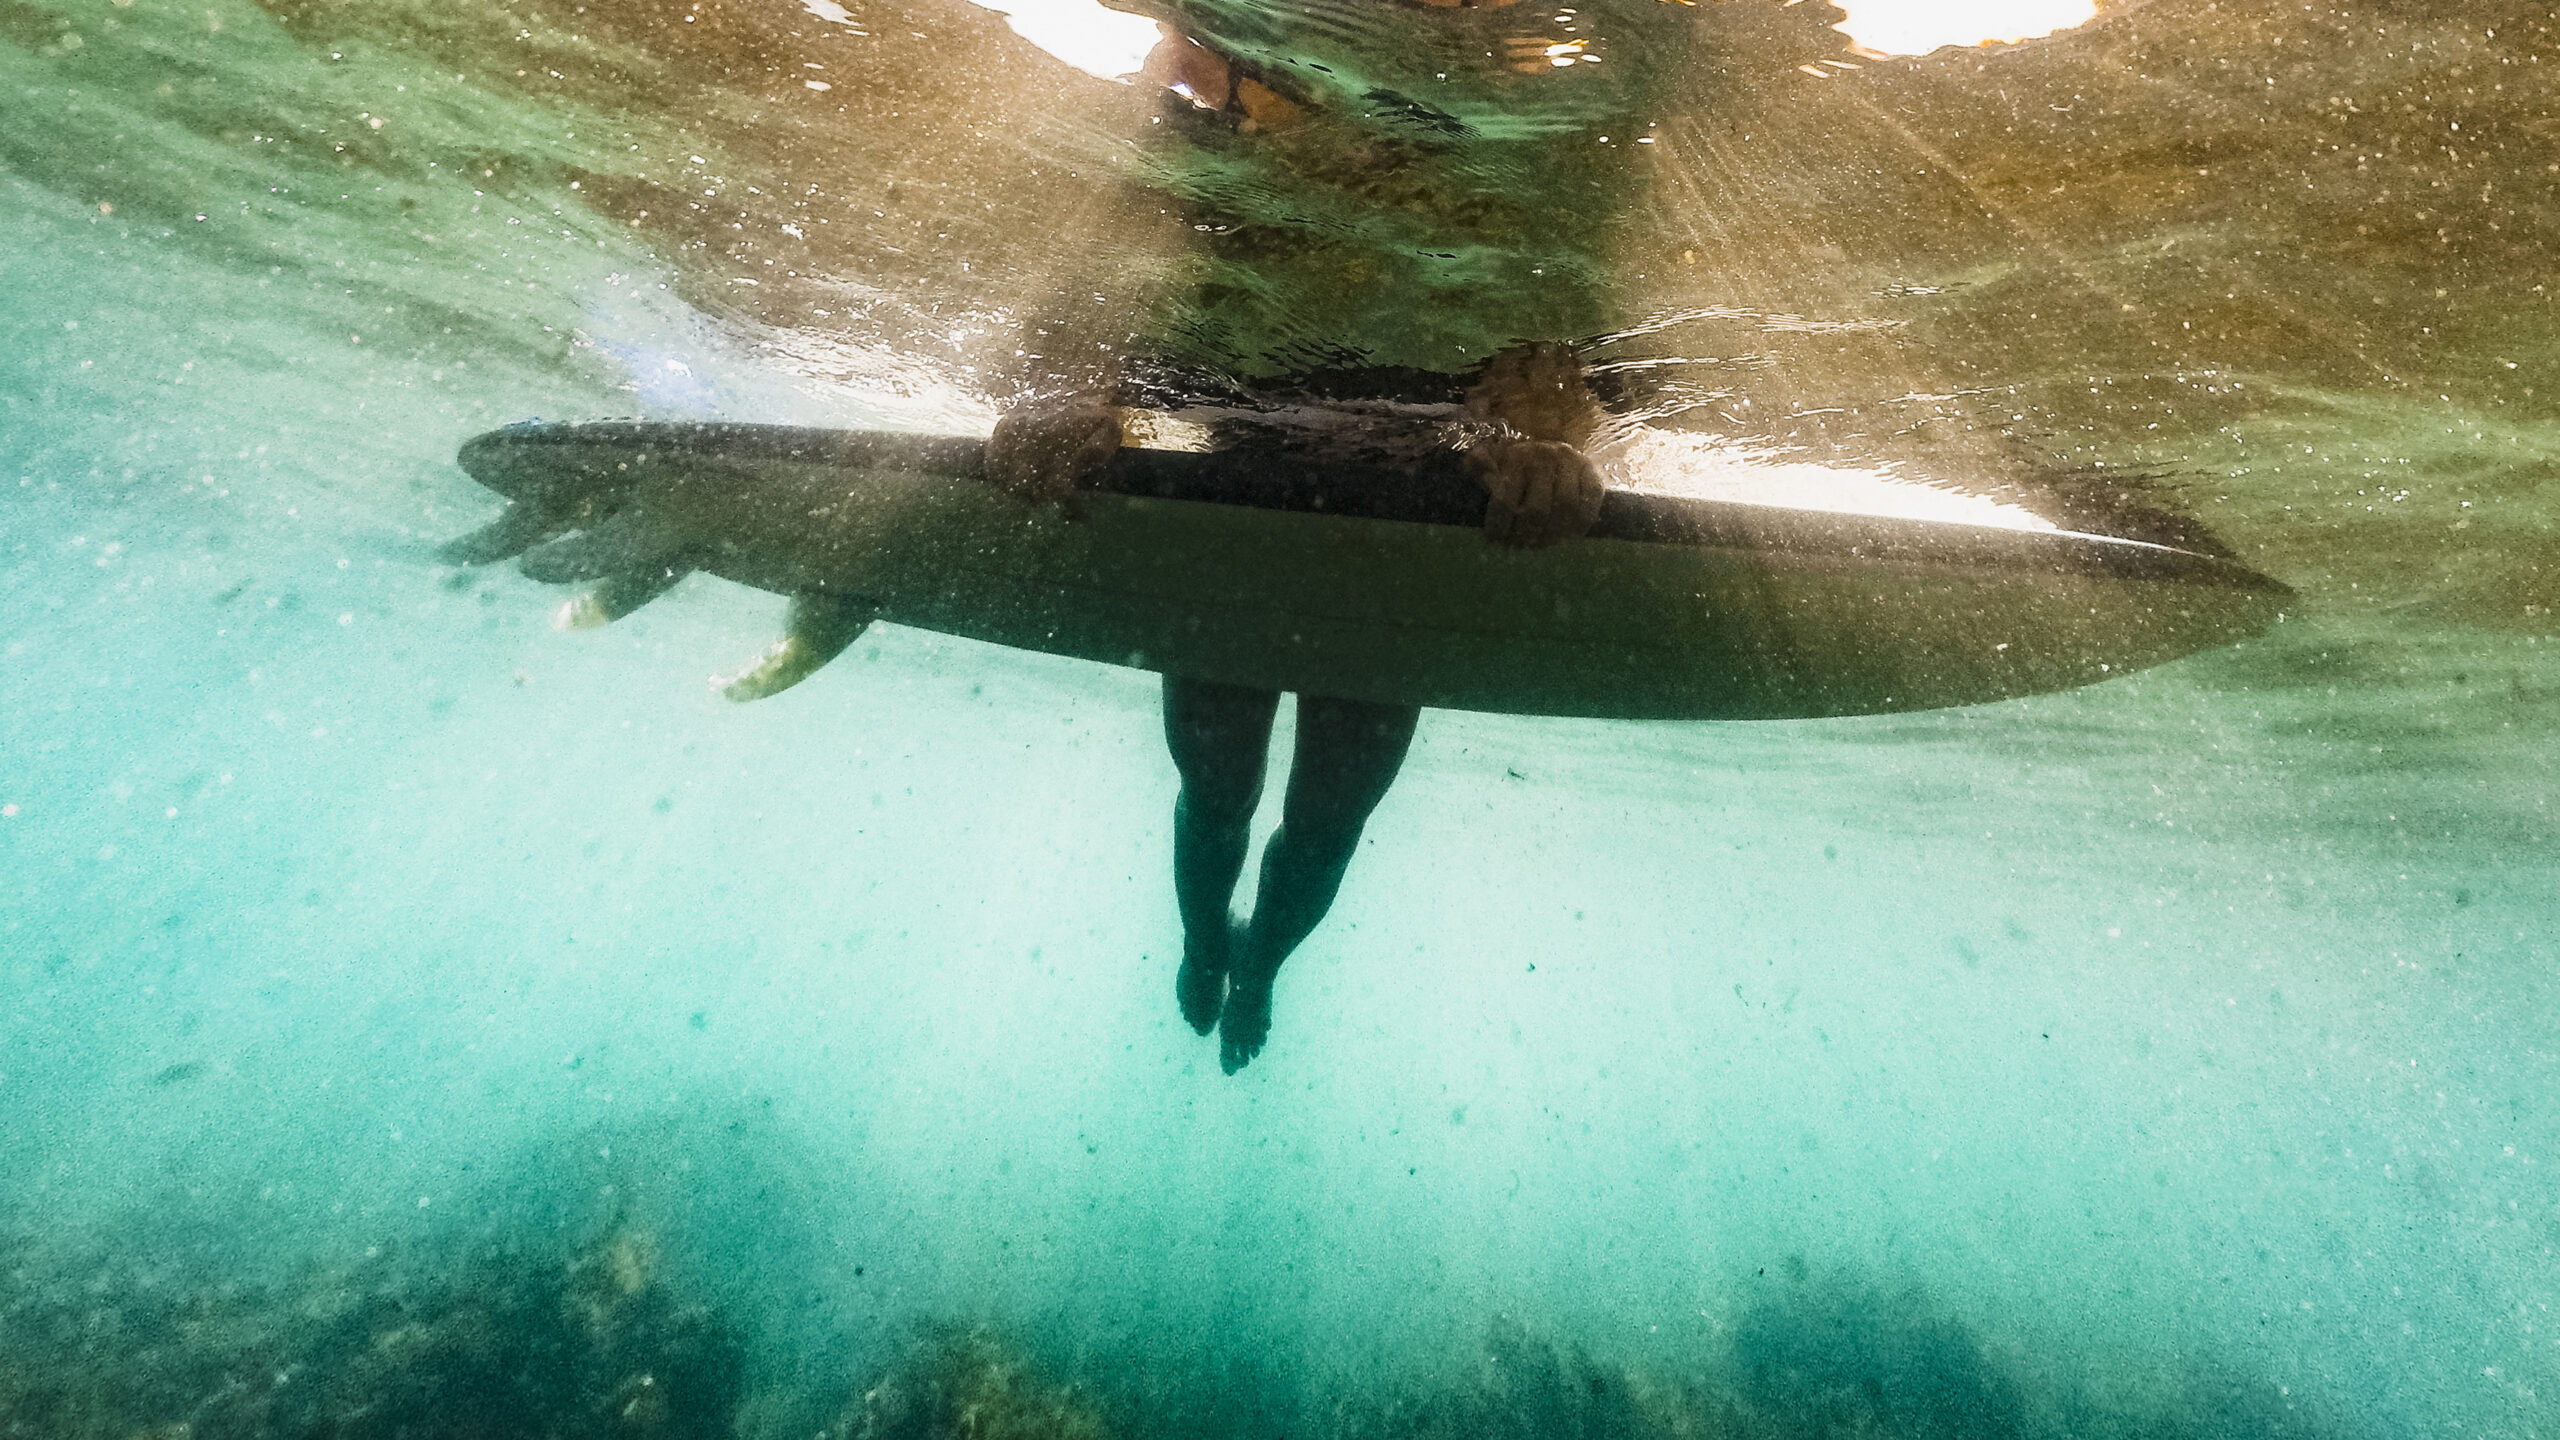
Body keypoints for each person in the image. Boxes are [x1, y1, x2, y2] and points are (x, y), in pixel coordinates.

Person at [984, 0, 1690, 1073]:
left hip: (1397, 524)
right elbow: (1108, 314)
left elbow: (1580, 351)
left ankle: (1260, 968)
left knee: (1324, 822)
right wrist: (1081, 402)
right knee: (1217, 795)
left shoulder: (1515, 145)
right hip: (1238, 506)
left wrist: (1539, 437)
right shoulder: (1200, 116)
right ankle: (1198, 945)